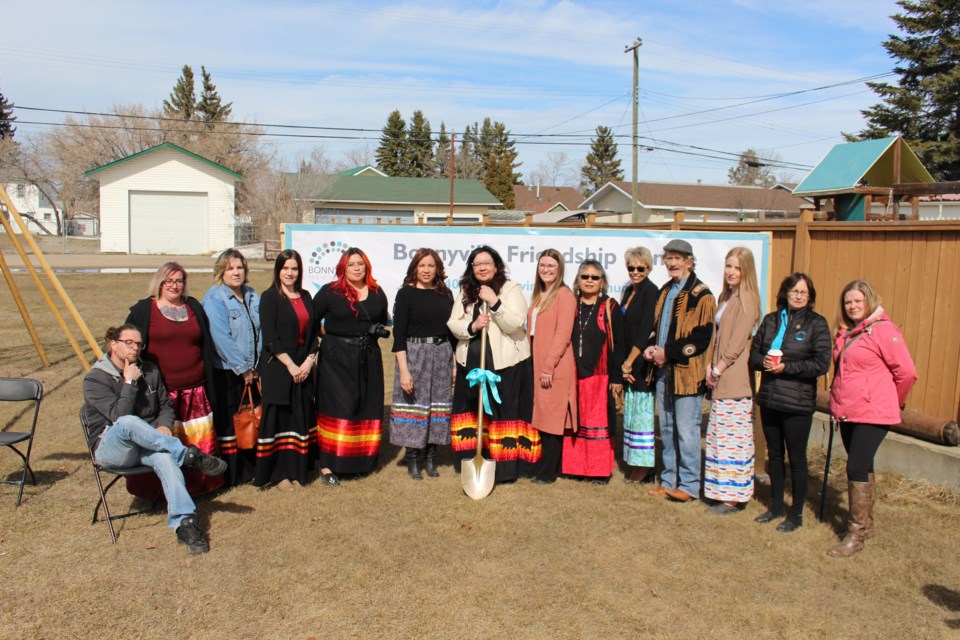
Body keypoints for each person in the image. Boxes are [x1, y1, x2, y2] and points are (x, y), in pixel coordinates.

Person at [82, 325, 227, 554]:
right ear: (113, 344)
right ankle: (187, 455)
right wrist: (129, 383)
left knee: (166, 461)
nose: (135, 348)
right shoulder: (95, 379)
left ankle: (185, 524)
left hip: (146, 445)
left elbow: (165, 405)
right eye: (129, 342)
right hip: (111, 449)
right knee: (128, 423)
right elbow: (119, 417)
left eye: (138, 344)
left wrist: (162, 425)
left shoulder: (149, 371)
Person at [828, 280, 916, 557]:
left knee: (855, 467)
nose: (853, 306)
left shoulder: (883, 331)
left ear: (869, 301)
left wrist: (893, 400)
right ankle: (867, 525)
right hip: (849, 409)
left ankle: (855, 534)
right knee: (863, 466)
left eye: (858, 301)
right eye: (848, 302)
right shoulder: (849, 333)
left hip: (873, 411)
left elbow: (907, 372)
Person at [125, 262, 222, 496]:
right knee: (164, 441)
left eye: (179, 281)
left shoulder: (193, 307)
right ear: (159, 282)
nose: (175, 285)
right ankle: (165, 489)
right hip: (161, 393)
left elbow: (205, 343)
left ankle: (200, 485)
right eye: (169, 281)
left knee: (196, 441)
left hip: (196, 391)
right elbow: (128, 344)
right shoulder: (143, 310)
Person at [448, 245, 538, 483]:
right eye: (477, 264)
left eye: (487, 262)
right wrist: (473, 326)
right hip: (472, 367)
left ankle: (506, 468)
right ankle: (472, 458)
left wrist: (495, 302)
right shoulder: (465, 292)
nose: (482, 267)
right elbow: (453, 324)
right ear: (472, 268)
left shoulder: (510, 289)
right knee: (471, 414)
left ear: (496, 265)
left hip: (505, 367)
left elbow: (515, 323)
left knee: (502, 414)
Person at [750, 273, 831, 532]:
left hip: (797, 402)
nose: (797, 296)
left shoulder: (817, 324)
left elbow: (821, 363)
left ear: (810, 297)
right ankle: (775, 507)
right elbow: (754, 352)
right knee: (774, 456)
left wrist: (787, 367)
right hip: (770, 398)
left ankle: (795, 514)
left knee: (796, 458)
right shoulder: (772, 320)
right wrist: (762, 361)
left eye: (803, 293)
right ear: (785, 293)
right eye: (793, 291)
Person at [643, 239, 715, 503]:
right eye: (668, 258)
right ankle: (668, 480)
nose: (672, 263)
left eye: (677, 258)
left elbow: (701, 338)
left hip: (687, 374)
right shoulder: (665, 291)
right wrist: (652, 348)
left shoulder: (702, 295)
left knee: (687, 431)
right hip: (663, 373)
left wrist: (667, 353)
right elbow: (657, 328)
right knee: (668, 428)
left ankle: (689, 484)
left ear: (689, 261)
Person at [314, 248, 389, 478]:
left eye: (360, 264)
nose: (357, 268)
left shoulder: (377, 292)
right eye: (352, 265)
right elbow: (312, 319)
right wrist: (328, 338)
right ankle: (329, 463)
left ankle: (361, 461)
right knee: (338, 406)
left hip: (368, 356)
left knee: (365, 405)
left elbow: (381, 319)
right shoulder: (330, 292)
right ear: (343, 268)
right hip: (337, 358)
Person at [702, 247, 761, 515]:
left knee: (733, 440)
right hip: (718, 376)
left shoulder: (747, 300)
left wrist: (719, 368)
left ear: (746, 271)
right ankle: (719, 491)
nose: (731, 272)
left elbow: (737, 342)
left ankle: (733, 497)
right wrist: (708, 365)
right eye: (728, 266)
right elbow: (716, 337)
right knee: (717, 437)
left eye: (737, 268)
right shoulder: (725, 297)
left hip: (734, 380)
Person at [388, 248, 455, 480]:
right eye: (422, 265)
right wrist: (404, 370)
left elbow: (453, 332)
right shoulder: (405, 294)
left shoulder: (445, 293)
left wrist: (454, 363)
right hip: (414, 354)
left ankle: (431, 458)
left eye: (431, 266)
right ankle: (413, 458)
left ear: (438, 269)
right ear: (415, 268)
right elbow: (399, 335)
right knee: (414, 406)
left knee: (438, 405)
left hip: (442, 354)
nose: (426, 270)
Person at [256, 249, 319, 491]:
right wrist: (291, 365)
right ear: (278, 271)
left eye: (294, 268)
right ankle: (279, 474)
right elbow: (271, 338)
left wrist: (308, 362)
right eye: (285, 268)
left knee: (299, 419)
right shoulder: (270, 297)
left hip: (303, 368)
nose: (290, 273)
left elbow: (313, 333)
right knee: (279, 422)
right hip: (280, 369)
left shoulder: (305, 296)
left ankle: (296, 471)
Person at [201, 249, 262, 487]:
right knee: (230, 423)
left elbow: (259, 330)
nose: (236, 272)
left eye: (239, 268)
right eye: (230, 268)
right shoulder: (215, 299)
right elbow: (220, 338)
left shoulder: (250, 295)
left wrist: (256, 366)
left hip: (251, 371)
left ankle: (250, 469)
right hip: (228, 371)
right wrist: (243, 368)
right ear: (221, 272)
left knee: (250, 418)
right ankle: (231, 474)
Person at [562, 260, 624, 482]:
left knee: (598, 425)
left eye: (594, 277)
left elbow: (620, 344)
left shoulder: (610, 307)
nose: (589, 280)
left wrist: (617, 378)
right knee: (574, 423)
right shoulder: (570, 304)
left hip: (600, 377)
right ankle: (573, 468)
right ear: (578, 280)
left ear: (602, 282)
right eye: (584, 276)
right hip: (572, 376)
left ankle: (597, 471)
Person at [526, 249, 577, 484]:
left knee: (553, 418)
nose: (546, 269)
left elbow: (563, 334)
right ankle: (544, 466)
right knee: (543, 414)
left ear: (560, 269)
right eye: (543, 265)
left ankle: (548, 473)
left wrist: (549, 365)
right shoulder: (539, 295)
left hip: (554, 365)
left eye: (551, 266)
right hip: (538, 361)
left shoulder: (564, 295)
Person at [619, 246, 658, 483]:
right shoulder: (628, 291)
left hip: (640, 365)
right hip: (627, 363)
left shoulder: (650, 291)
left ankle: (644, 467)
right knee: (631, 413)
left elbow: (644, 331)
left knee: (642, 415)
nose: (635, 272)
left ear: (649, 268)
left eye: (640, 268)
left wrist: (629, 362)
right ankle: (635, 461)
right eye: (631, 267)